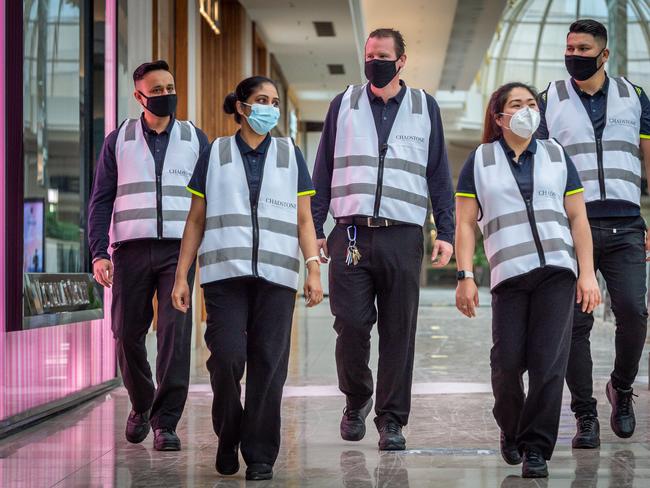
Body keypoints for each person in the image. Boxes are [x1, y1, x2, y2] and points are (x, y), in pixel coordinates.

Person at [172, 76, 324, 481]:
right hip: (224, 276)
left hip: (276, 277)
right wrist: (181, 276)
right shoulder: (215, 152)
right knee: (226, 359)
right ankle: (229, 430)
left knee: (268, 365)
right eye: (261, 100)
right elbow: (196, 219)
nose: (269, 108)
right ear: (241, 107)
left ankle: (259, 455)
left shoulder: (291, 154)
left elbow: (304, 218)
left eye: (274, 101)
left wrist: (313, 267)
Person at [311, 28, 455, 451]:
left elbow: (439, 174)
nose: (374, 61)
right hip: (350, 233)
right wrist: (317, 226)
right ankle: (356, 399)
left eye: (383, 55)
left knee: (399, 332)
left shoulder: (424, 107)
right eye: (369, 54)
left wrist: (444, 230)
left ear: (401, 61)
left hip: (403, 236)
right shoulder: (345, 103)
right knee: (351, 325)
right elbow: (323, 169)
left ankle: (391, 419)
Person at [455, 82, 601, 478]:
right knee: (505, 366)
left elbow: (578, 218)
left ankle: (536, 448)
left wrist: (586, 273)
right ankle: (511, 425)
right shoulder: (480, 160)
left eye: (531, 104)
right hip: (510, 277)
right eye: (516, 105)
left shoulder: (556, 154)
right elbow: (466, 223)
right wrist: (465, 275)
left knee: (548, 364)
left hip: (557, 273)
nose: (526, 110)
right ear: (498, 117)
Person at [537, 19, 650, 447]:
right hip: (572, 226)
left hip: (625, 225)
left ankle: (621, 388)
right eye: (570, 47)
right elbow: (541, 162)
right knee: (574, 326)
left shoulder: (635, 98)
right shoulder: (550, 99)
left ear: (604, 55)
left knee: (634, 314)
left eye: (584, 48)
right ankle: (585, 414)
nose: (575, 55)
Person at [88, 60, 208, 451]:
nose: (165, 95)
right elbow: (101, 199)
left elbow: (210, 198)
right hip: (130, 251)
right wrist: (98, 253)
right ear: (139, 96)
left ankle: (165, 423)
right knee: (125, 334)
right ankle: (142, 403)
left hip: (178, 252)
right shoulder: (118, 139)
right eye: (155, 90)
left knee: (175, 333)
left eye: (169, 87)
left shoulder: (194, 138)